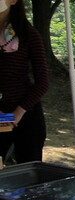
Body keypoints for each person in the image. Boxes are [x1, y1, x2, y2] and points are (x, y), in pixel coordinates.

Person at [0, 0, 49, 164]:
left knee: (29, 179)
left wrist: (16, 114)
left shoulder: (29, 34)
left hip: (27, 117)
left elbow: (42, 83)